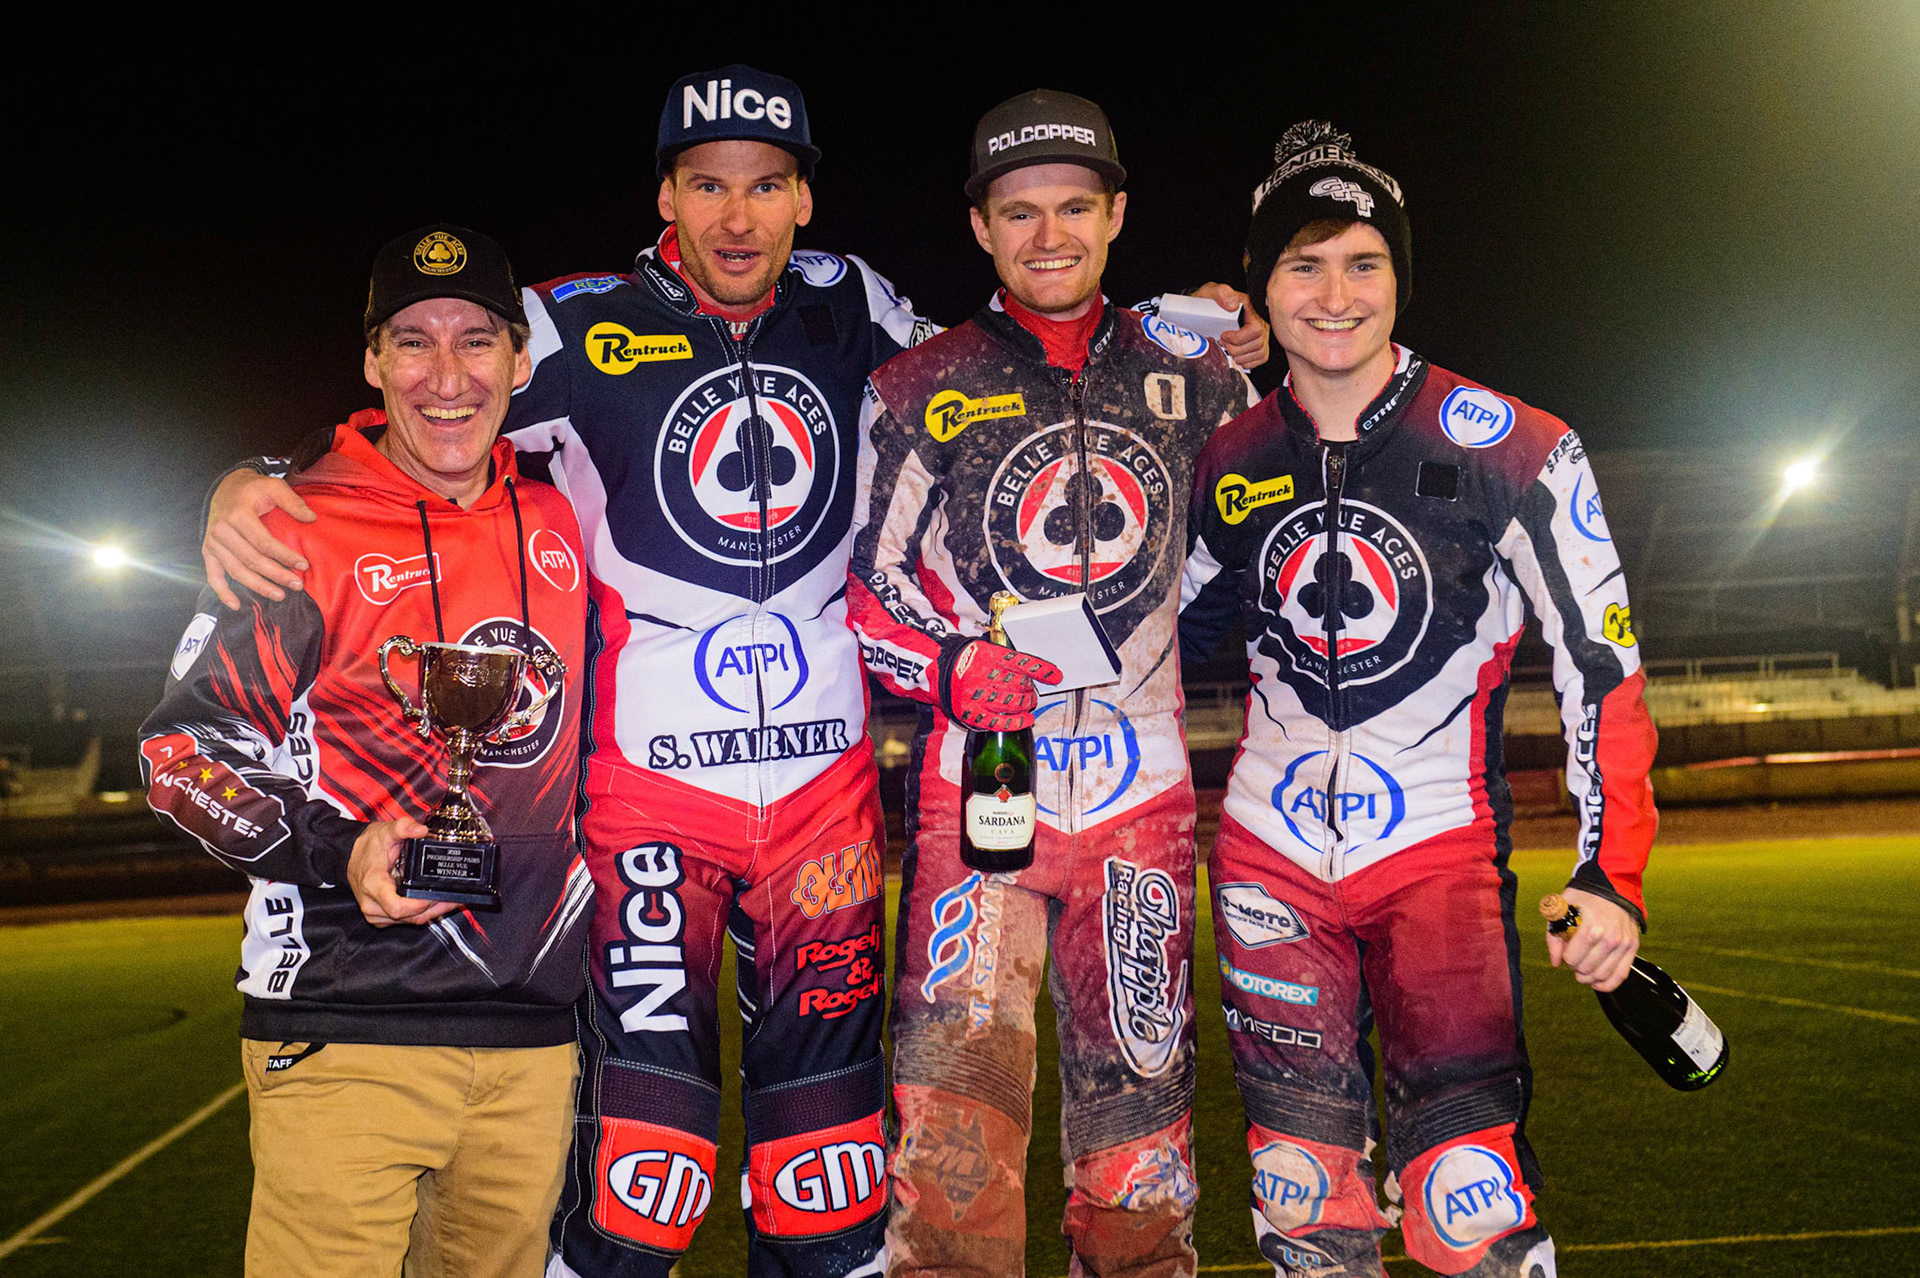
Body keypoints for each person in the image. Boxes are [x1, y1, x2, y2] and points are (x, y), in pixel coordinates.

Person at [199, 68, 1267, 1278]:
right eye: (708, 185)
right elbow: (435, 390)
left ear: (804, 199)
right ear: (666, 192)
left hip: (822, 817)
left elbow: (1012, 367)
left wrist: (1194, 325)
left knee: (831, 1190)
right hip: (649, 809)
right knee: (639, 1184)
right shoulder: (571, 321)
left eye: (767, 186)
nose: (738, 217)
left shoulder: (855, 304)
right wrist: (262, 472)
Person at [1178, 122, 1660, 1278]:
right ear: (1258, 288)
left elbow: (1604, 666)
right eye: (1301, 264)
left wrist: (1611, 877)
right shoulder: (1219, 457)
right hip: (1266, 863)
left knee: (1468, 1206)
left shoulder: (1518, 448)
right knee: (1306, 1206)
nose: (1333, 294)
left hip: (1439, 859)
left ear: (1400, 276)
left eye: (1362, 262)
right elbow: (1136, 634)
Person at [847, 90, 1259, 1278]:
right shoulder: (918, 384)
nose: (1049, 236)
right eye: (1018, 213)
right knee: (953, 1156)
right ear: (979, 228)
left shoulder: (1195, 373)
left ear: (1117, 213)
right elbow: (865, 595)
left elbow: (1270, 517)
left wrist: (1253, 330)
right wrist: (952, 665)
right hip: (978, 815)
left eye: (1075, 207)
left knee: (1142, 1147)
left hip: (1142, 807)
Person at [139, 225, 592, 1278]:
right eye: (414, 341)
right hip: (344, 1027)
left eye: (476, 341)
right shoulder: (296, 528)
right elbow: (180, 751)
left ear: (520, 362)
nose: (447, 376)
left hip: (530, 1042)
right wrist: (335, 851)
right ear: (372, 362)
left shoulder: (561, 515)